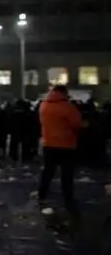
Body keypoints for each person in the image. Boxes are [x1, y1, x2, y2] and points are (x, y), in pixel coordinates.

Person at [37, 85, 82, 214]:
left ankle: (42, 194)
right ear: (64, 93)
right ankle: (68, 199)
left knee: (48, 171)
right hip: (66, 145)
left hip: (49, 143)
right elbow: (76, 124)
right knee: (66, 174)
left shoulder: (44, 105)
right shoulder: (68, 107)